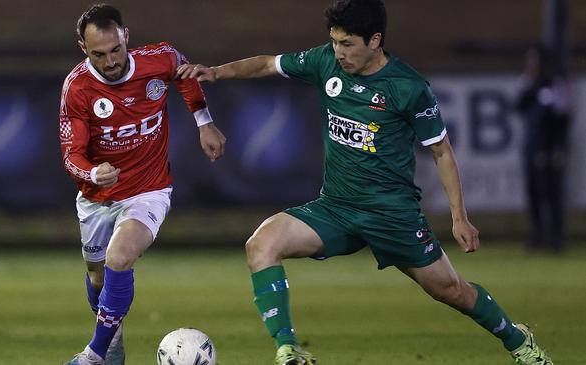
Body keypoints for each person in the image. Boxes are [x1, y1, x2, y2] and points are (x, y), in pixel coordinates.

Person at [178, 0, 553, 364]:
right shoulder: (325, 61)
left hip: (392, 215)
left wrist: (458, 217)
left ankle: (519, 342)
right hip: (337, 208)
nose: (338, 52)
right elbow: (268, 64)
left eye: (347, 44)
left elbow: (441, 152)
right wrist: (217, 72)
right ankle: (288, 351)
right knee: (261, 244)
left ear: (374, 41)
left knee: (451, 290)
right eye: (334, 41)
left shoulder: (408, 87)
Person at [58, 4, 226, 365]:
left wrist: (204, 121)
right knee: (98, 276)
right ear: (83, 48)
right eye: (99, 54)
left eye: (116, 49)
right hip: (98, 197)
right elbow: (72, 155)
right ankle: (113, 343)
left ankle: (94, 354)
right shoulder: (77, 88)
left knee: (120, 258)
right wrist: (92, 173)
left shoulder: (159, 58)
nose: (111, 61)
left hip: (149, 189)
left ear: (126, 37)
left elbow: (184, 73)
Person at [515, 43, 570, 253]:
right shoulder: (529, 83)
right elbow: (517, 105)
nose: (531, 64)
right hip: (532, 146)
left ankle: (556, 238)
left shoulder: (555, 84)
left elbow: (562, 118)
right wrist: (531, 86)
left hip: (549, 148)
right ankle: (537, 235)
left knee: (552, 193)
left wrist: (558, 147)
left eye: (534, 59)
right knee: (534, 193)